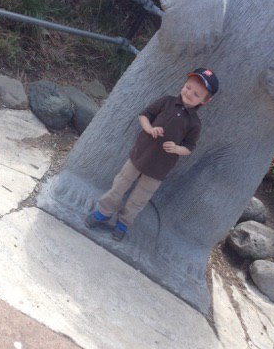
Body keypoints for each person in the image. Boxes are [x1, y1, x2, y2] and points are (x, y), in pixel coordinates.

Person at [85, 68, 219, 241]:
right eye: (188, 87)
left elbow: (189, 147)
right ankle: (103, 212)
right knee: (119, 185)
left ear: (205, 100)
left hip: (159, 168)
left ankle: (123, 223)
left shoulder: (194, 123)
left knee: (139, 198)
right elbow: (144, 115)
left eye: (196, 94)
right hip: (139, 155)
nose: (189, 93)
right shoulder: (167, 102)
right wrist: (149, 128)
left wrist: (177, 148)